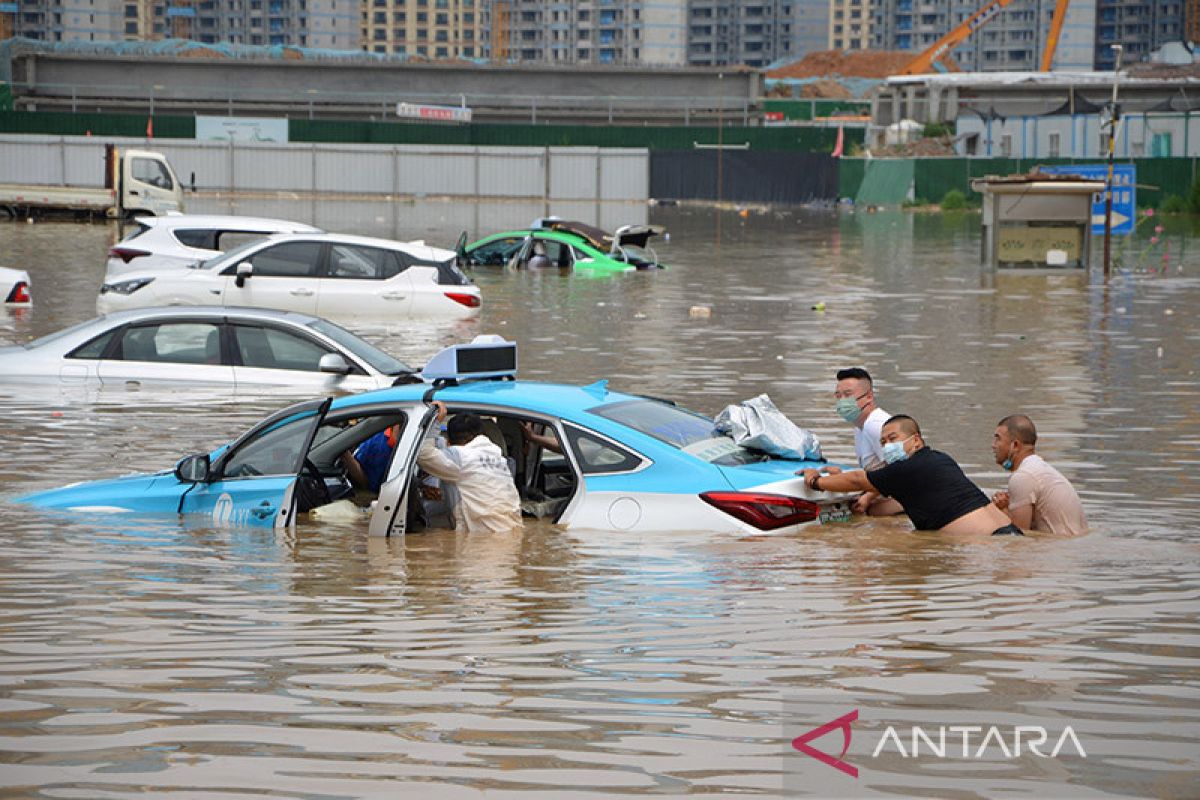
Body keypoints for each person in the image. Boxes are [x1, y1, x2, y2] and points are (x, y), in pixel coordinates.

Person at [799, 414, 1023, 536]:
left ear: (916, 439)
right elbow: (875, 484)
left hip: (989, 547)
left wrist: (816, 481)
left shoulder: (907, 469)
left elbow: (859, 479)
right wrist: (845, 481)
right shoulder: (938, 459)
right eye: (883, 442)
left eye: (893, 439)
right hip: (1010, 534)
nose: (887, 446)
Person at [415, 402, 523, 535]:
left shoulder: (459, 457)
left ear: (449, 440)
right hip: (512, 532)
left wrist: (434, 423)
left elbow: (422, 454)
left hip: (483, 538)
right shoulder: (498, 457)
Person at [990, 414, 1088, 536]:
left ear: (1015, 445)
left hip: (1056, 549)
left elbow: (1017, 537)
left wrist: (1001, 510)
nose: (993, 445)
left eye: (998, 439)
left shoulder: (1023, 477)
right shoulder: (1040, 469)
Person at [833, 367, 901, 516]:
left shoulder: (876, 425)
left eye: (848, 395)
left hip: (902, 503)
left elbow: (901, 470)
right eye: (838, 396)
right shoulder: (860, 426)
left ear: (869, 396)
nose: (842, 401)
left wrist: (868, 497)